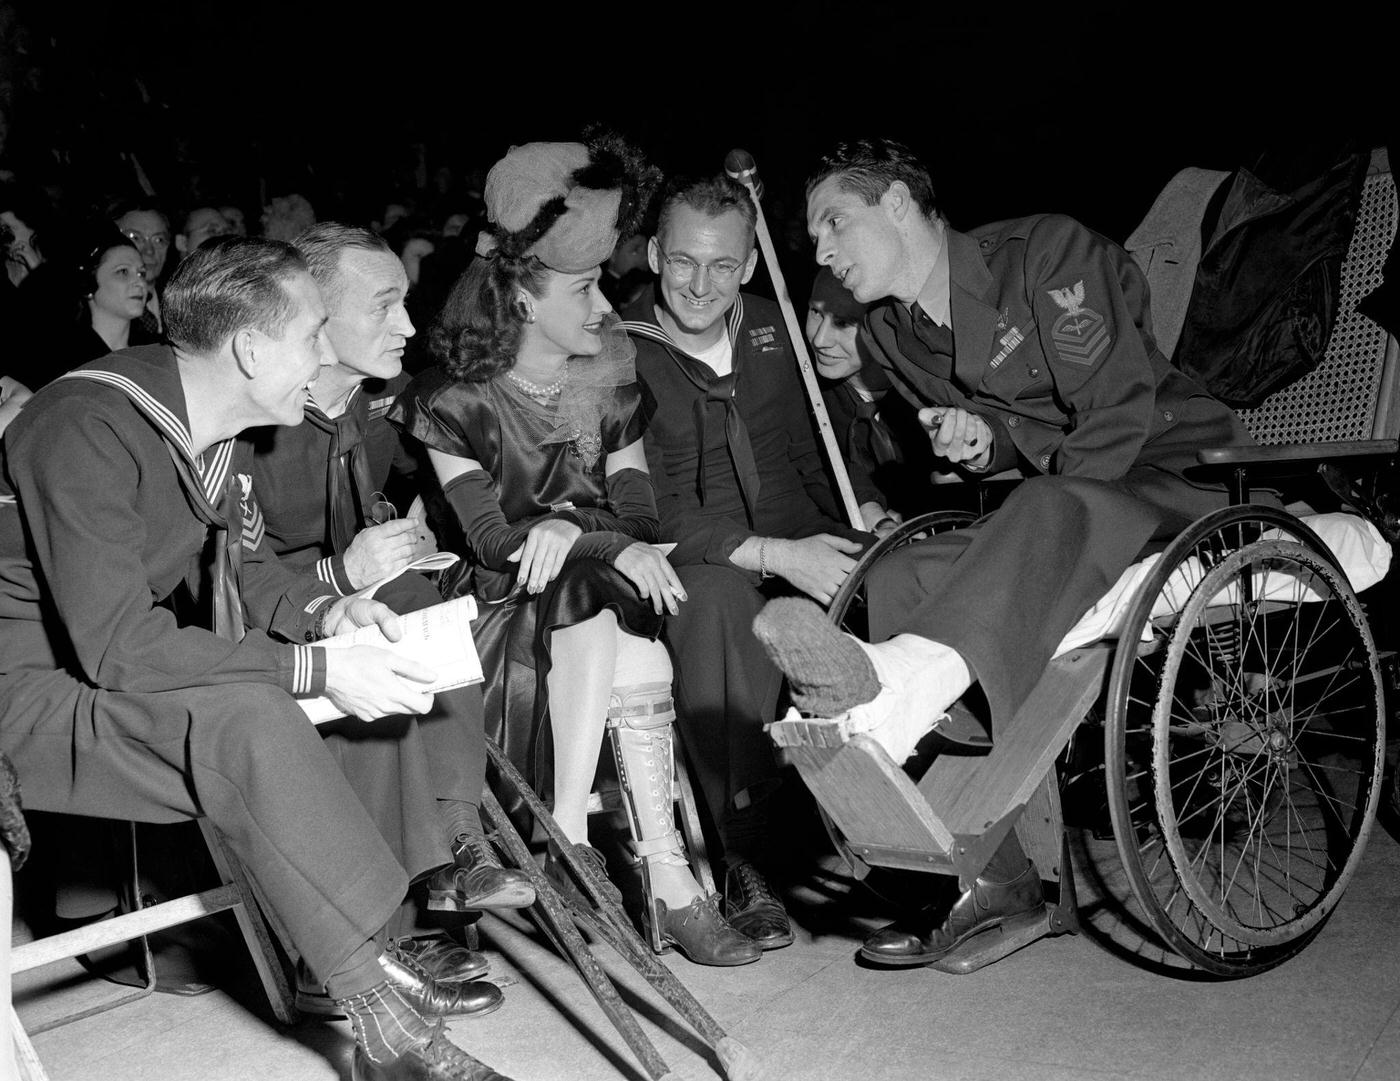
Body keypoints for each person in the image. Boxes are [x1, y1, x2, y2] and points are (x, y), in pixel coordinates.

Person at [0, 237, 515, 1081]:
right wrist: (312, 670)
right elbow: (121, 649)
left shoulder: (219, 431)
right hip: (25, 698)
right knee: (248, 712)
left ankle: (374, 991)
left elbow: (250, 572)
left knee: (308, 674)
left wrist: (331, 611)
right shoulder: (83, 424)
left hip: (103, 673)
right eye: (313, 335)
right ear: (248, 348)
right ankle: (375, 996)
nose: (323, 358)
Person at [752, 136, 1254, 969]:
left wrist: (1011, 455)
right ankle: (992, 876)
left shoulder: (1045, 254)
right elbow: (1007, 447)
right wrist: (981, 446)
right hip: (1065, 495)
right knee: (907, 567)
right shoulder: (888, 332)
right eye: (815, 238)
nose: (824, 251)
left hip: (1174, 474)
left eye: (835, 221)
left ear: (901, 203)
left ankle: (894, 695)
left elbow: (1117, 413)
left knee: (1047, 507)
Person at [391, 135, 758, 967]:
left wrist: (585, 536)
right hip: (499, 609)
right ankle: (655, 873)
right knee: (610, 612)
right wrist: (581, 537)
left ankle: (608, 859)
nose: (604, 306)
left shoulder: (615, 379)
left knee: (603, 596)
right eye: (586, 286)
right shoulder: (453, 400)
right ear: (521, 296)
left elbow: (636, 510)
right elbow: (493, 542)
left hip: (598, 593)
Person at [244, 222, 535, 986]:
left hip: (348, 598)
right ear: (312, 316)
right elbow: (232, 574)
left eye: (405, 303)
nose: (408, 326)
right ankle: (383, 923)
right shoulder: (248, 419)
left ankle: (456, 844)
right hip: (269, 623)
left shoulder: (366, 406)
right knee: (378, 641)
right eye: (384, 307)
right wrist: (339, 578)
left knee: (421, 601)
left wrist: (389, 526)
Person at [617, 175, 875, 953]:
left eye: (723, 266)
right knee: (722, 606)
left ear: (749, 265)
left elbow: (809, 452)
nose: (701, 285)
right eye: (684, 262)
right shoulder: (617, 343)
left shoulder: (772, 328)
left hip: (794, 528)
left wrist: (863, 519)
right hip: (701, 551)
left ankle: (913, 829)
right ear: (656, 252)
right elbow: (648, 504)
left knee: (901, 579)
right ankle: (743, 852)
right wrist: (774, 555)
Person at [806, 264, 943, 521]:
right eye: (816, 312)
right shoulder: (801, 392)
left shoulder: (933, 390)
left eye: (844, 322)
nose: (820, 340)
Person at [110, 197, 173, 336]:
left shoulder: (179, 303)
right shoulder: (101, 309)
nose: (149, 250)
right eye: (135, 237)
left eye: (159, 239)